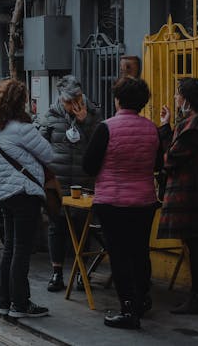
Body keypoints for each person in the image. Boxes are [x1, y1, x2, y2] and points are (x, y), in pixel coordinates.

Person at [83, 77, 162, 329]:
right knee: (140, 252)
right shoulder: (151, 129)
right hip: (144, 200)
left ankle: (128, 307)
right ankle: (142, 299)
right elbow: (159, 165)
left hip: (113, 202)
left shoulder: (106, 128)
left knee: (118, 255)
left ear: (117, 100)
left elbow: (89, 166)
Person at [0, 79, 54, 318]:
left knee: (10, 249)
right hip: (24, 195)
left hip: (5, 195)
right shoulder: (22, 129)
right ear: (19, 103)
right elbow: (49, 154)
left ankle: (4, 301)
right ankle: (20, 304)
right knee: (22, 250)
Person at [158, 77, 198, 315]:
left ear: (188, 98)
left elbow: (170, 157)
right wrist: (167, 125)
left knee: (195, 242)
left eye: (178, 94)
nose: (175, 98)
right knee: (195, 241)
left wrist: (166, 129)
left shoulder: (196, 124)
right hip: (194, 187)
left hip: (190, 190)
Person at [38, 75, 101, 292]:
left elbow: (98, 144)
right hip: (58, 180)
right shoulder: (50, 115)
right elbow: (40, 143)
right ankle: (57, 273)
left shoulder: (93, 114)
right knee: (57, 225)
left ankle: (82, 273)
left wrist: (85, 123)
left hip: (83, 180)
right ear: (60, 99)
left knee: (82, 227)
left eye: (77, 99)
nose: (73, 105)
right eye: (68, 101)